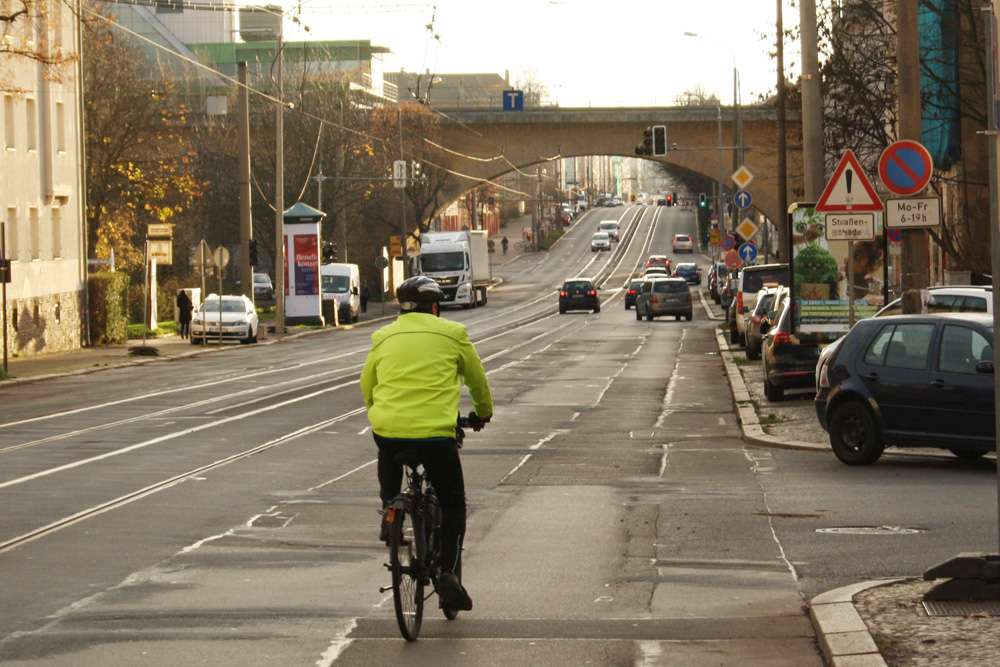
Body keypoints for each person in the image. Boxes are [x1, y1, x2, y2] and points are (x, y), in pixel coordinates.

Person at [360, 276, 493, 612]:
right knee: (454, 505)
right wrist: (482, 414)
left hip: (389, 430)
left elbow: (367, 384)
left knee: (387, 448)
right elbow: (477, 380)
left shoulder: (383, 337)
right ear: (435, 306)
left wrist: (379, 413)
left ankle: (391, 510)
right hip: (436, 435)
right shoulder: (452, 333)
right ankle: (448, 575)